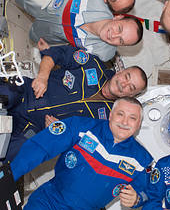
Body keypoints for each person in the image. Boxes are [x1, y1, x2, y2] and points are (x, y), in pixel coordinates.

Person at [10, 97, 153, 210]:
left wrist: (137, 199)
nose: (124, 122)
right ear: (110, 115)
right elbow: (39, 147)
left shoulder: (142, 161)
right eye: (120, 114)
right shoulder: (80, 126)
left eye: (132, 118)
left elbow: (148, 192)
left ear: (139, 124)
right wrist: (8, 178)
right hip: (48, 202)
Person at [3, 42, 147, 161]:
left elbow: (85, 149)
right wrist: (42, 76)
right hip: (25, 93)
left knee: (12, 154)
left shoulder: (109, 121)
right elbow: (57, 53)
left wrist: (62, 135)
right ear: (121, 71)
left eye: (131, 87)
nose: (124, 84)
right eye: (126, 76)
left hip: (35, 128)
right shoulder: (92, 65)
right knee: (6, 93)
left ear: (132, 96)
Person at [15, 0, 143, 62]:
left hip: (51, 34)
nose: (113, 36)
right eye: (119, 29)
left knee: (31, 35)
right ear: (118, 17)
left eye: (120, 41)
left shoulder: (104, 53)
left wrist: (50, 54)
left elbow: (73, 60)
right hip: (50, 3)